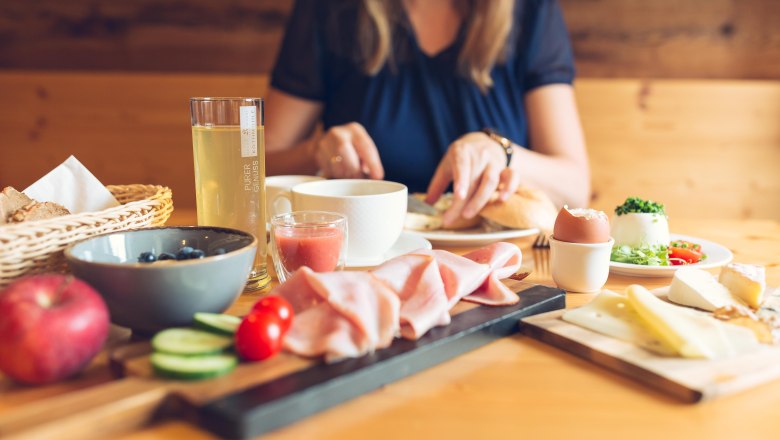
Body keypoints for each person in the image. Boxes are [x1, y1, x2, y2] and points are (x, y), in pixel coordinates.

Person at [264, 0, 589, 227]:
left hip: (504, 267)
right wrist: (316, 151)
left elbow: (575, 187)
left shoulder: (530, 10)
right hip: (364, 264)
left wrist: (501, 151)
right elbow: (256, 164)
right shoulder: (331, 9)